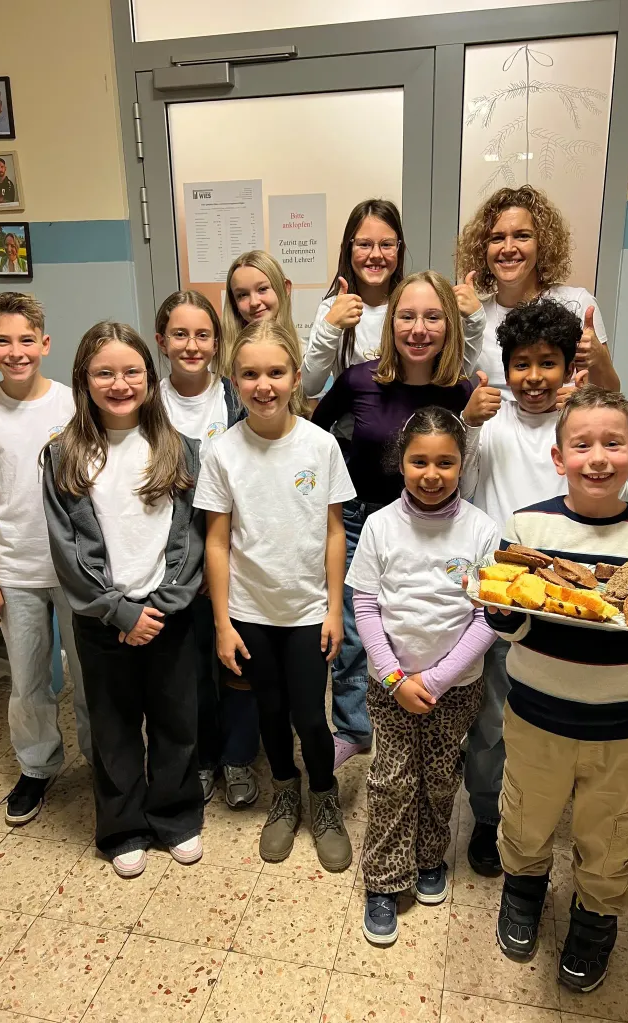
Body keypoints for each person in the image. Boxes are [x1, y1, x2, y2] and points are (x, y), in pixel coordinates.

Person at [488, 386, 628, 993]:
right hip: (536, 715)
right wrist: (503, 614)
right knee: (527, 816)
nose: (597, 457)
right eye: (581, 445)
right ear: (558, 458)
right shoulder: (529, 525)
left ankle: (595, 917)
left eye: (613, 444)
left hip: (622, 725)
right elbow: (513, 621)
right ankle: (523, 892)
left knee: (610, 832)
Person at [42, 322, 206, 879]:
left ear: (149, 378)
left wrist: (162, 604)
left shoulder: (179, 449)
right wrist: (119, 610)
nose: (119, 383)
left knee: (175, 723)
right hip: (103, 620)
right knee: (112, 728)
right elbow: (67, 548)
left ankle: (176, 816)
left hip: (169, 615)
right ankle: (123, 826)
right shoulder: (64, 454)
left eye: (131, 371)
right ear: (83, 380)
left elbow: (191, 537)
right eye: (104, 373)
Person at [195, 319, 356, 872]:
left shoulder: (321, 445)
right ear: (234, 379)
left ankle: (323, 795)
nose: (264, 385)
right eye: (250, 374)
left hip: (308, 610)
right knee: (269, 710)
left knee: (310, 715)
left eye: (276, 372)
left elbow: (335, 531)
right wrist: (222, 623)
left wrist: (335, 609)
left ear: (294, 377)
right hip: (249, 612)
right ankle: (285, 792)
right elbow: (217, 541)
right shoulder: (223, 452)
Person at [311, 269, 483, 768]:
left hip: (436, 525)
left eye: (432, 317)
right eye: (406, 316)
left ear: (449, 325)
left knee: (430, 622)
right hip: (360, 520)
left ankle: (434, 712)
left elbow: (469, 455)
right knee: (351, 630)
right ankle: (352, 727)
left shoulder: (460, 391)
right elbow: (314, 435)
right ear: (391, 325)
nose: (418, 328)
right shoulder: (359, 379)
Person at [348, 406, 498, 945]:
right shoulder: (380, 525)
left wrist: (434, 681)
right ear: (401, 463)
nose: (431, 474)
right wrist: (394, 677)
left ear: (462, 465)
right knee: (392, 779)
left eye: (445, 463)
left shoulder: (482, 529)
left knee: (438, 778)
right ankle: (385, 880)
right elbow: (364, 607)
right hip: (390, 688)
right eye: (419, 462)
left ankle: (430, 856)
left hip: (453, 689)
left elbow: (488, 618)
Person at [0, 292, 91, 827]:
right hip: (14, 568)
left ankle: (104, 764)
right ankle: (37, 766)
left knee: (90, 673)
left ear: (45, 344)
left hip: (75, 567)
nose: (16, 351)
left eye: (26, 340)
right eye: (3, 341)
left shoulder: (72, 403)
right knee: (29, 677)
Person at [458, 298, 583, 876]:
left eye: (548, 363)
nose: (534, 377)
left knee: (558, 712)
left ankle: (548, 812)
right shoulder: (490, 422)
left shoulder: (576, 424)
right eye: (522, 364)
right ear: (505, 367)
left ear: (567, 367)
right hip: (502, 595)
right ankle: (488, 816)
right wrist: (468, 422)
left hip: (567, 600)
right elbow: (456, 485)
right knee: (492, 718)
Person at [155, 289, 261, 808]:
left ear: (217, 341)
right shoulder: (147, 403)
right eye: (180, 334)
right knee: (190, 665)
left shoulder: (236, 398)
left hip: (233, 551)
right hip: (171, 559)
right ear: (162, 341)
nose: (191, 345)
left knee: (237, 661)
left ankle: (240, 757)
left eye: (202, 334)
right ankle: (200, 758)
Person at [456, 184, 619, 399]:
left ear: (542, 244)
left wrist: (599, 359)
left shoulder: (577, 302)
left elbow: (611, 394)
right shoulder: (473, 315)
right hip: (491, 429)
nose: (508, 248)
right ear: (483, 249)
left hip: (560, 428)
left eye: (522, 236)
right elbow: (452, 390)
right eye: (496, 238)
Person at [302, 199, 405, 398]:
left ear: (399, 248)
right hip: (348, 428)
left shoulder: (412, 306)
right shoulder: (332, 309)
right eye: (364, 244)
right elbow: (309, 386)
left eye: (386, 245)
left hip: (408, 425)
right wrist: (331, 327)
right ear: (349, 248)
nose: (376, 255)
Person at [222, 250, 294, 350]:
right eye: (243, 295)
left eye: (262, 289)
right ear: (234, 302)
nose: (254, 302)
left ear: (285, 288)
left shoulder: (307, 354)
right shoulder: (218, 357)